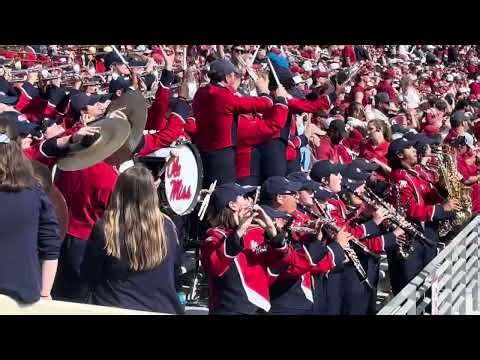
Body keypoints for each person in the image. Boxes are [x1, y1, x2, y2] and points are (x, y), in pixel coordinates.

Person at [80, 165, 184, 314]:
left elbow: (89, 274)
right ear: (152, 193)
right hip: (162, 307)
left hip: (114, 305)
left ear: (119, 191)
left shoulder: (106, 227)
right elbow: (175, 272)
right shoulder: (167, 227)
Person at [386, 137, 460, 294]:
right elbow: (411, 210)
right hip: (411, 240)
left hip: (427, 235)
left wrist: (444, 191)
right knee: (412, 288)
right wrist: (442, 209)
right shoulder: (399, 177)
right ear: (400, 155)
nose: (414, 150)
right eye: (409, 148)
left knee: (429, 283)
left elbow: (428, 195)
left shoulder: (416, 172)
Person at [0, 115, 61, 303]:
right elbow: (50, 244)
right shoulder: (35, 192)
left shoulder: (35, 191)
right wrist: (45, 293)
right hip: (23, 295)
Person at [192, 58, 273, 187]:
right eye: (234, 76)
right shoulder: (224, 96)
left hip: (203, 149)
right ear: (228, 77)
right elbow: (264, 103)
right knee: (224, 191)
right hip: (222, 152)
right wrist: (264, 91)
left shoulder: (200, 93)